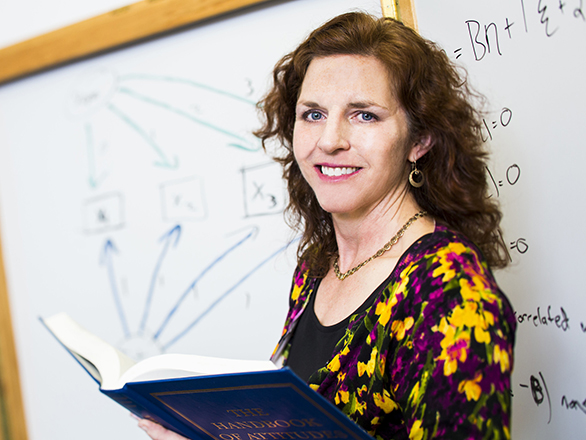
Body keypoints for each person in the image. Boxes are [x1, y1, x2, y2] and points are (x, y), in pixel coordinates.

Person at [136, 11, 516, 440]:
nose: (330, 140)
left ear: (419, 140)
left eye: (364, 115)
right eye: (313, 114)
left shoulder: (448, 292)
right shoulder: (320, 265)